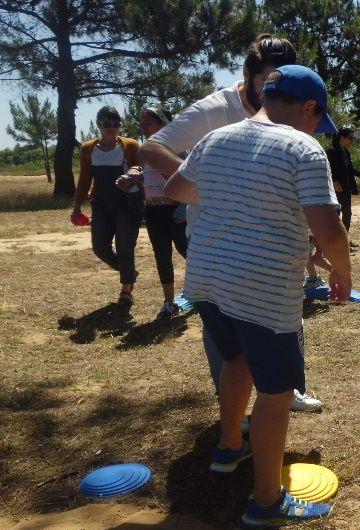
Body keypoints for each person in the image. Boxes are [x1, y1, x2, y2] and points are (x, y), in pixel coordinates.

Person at [164, 65, 351, 525]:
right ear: (309, 108)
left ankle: (229, 448)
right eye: (317, 119)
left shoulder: (217, 139)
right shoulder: (302, 148)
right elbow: (328, 226)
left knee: (235, 361)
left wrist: (243, 205)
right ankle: (267, 502)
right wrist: (343, 274)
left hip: (207, 281)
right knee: (276, 393)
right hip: (261, 290)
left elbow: (177, 189)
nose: (316, 129)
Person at [138, 34, 323, 412]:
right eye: (265, 81)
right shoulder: (214, 109)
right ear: (248, 75)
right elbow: (150, 147)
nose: (274, 90)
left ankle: (287, 389)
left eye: (281, 81)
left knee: (286, 307)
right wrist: (215, 189)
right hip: (218, 239)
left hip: (271, 238)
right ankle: (232, 413)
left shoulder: (285, 108)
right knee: (223, 327)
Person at [118, 105, 188, 319]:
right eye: (143, 123)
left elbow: (190, 178)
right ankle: (168, 302)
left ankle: (205, 294)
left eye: (148, 122)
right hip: (154, 211)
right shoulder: (146, 150)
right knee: (162, 256)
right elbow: (148, 174)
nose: (144, 127)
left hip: (176, 212)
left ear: (162, 124)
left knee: (190, 253)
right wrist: (135, 177)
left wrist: (184, 210)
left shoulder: (176, 148)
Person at [71, 106, 142, 306]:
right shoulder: (88, 148)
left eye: (116, 124)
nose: (111, 128)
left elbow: (141, 169)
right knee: (100, 247)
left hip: (128, 204)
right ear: (98, 125)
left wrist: (135, 172)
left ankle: (126, 290)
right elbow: (85, 179)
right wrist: (77, 206)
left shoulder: (130, 146)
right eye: (106, 124)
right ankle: (129, 272)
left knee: (125, 247)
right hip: (101, 205)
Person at [326, 126, 360, 246]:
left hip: (346, 188)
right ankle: (333, 242)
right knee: (335, 215)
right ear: (341, 137)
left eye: (353, 138)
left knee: (347, 214)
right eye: (350, 138)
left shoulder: (345, 152)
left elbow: (351, 170)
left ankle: (344, 239)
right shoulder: (331, 151)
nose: (352, 141)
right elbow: (326, 169)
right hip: (335, 190)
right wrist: (333, 180)